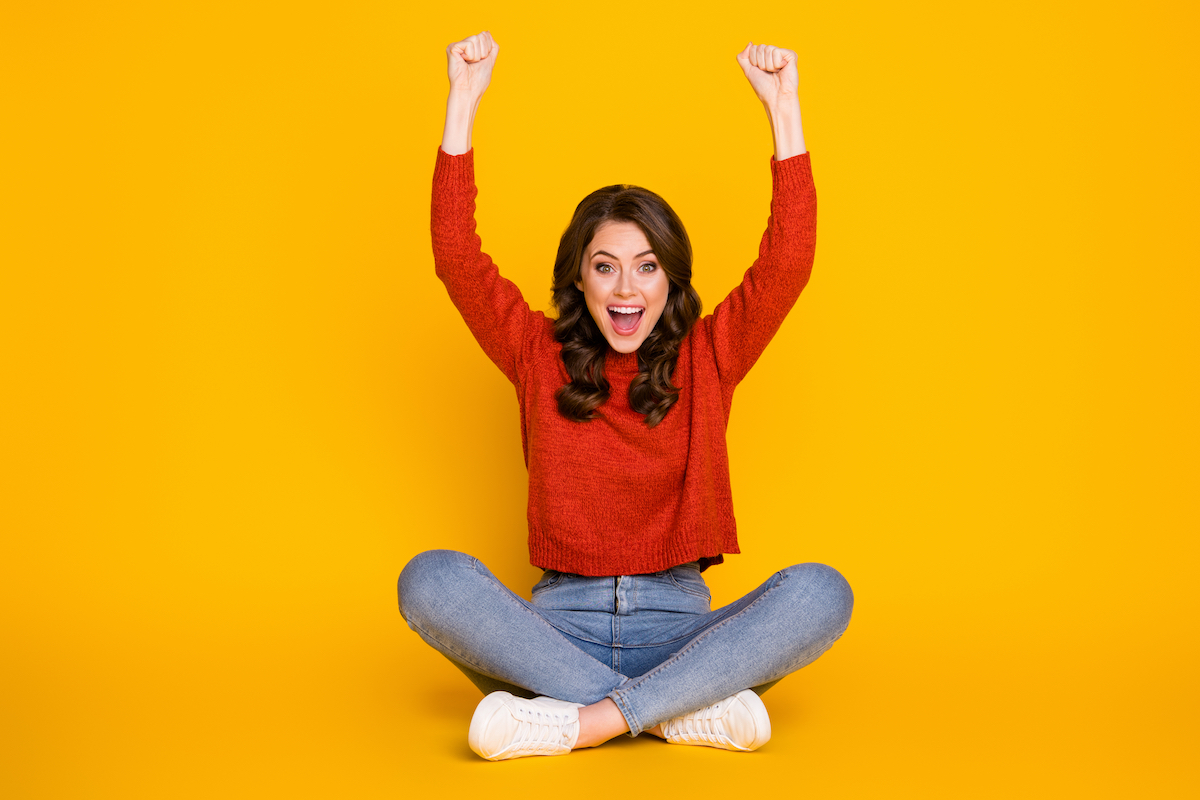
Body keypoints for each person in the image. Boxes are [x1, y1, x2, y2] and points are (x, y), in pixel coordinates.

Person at [398, 30, 853, 761]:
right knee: (430, 580)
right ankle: (677, 711)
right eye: (604, 267)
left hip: (682, 626)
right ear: (578, 278)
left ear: (670, 278)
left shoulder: (710, 352)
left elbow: (788, 263)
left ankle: (583, 721)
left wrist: (785, 109)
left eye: (646, 267)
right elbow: (456, 258)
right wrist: (463, 100)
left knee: (822, 592)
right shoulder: (534, 350)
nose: (625, 288)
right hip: (557, 628)